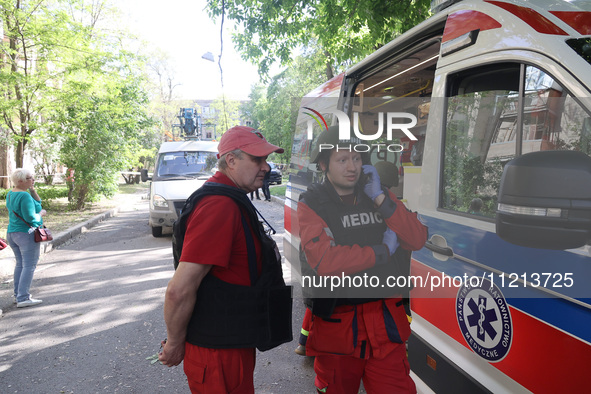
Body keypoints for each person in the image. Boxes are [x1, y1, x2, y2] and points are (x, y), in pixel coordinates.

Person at [159, 126, 291, 393]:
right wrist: (174, 343)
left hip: (230, 344)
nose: (265, 167)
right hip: (217, 353)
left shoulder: (230, 198)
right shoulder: (219, 206)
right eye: (257, 159)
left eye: (266, 159)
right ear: (231, 160)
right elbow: (179, 289)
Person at [297, 126, 428, 393]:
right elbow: (326, 261)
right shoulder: (312, 202)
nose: (352, 167)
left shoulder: (379, 196)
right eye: (342, 159)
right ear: (324, 164)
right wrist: (381, 251)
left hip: (386, 324)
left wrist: (380, 198)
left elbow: (416, 239)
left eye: (356, 158)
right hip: (339, 328)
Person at [6, 168, 47, 308]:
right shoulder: (24, 196)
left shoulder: (11, 194)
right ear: (21, 181)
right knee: (29, 265)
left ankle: (18, 295)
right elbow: (30, 216)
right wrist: (41, 214)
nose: (33, 179)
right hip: (26, 233)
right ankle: (23, 297)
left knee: (20, 264)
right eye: (30, 178)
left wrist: (33, 190)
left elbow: (37, 204)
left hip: (12, 233)